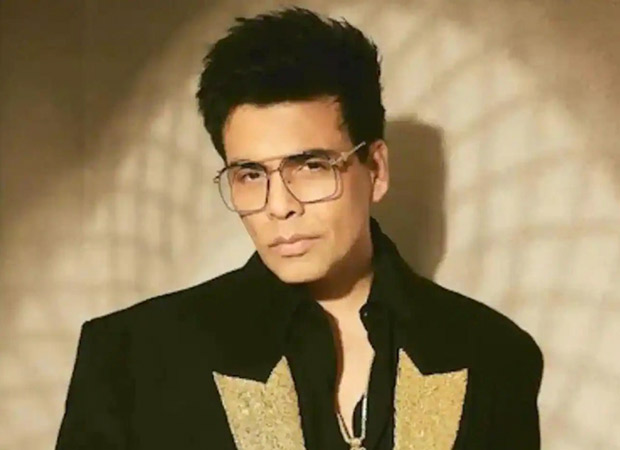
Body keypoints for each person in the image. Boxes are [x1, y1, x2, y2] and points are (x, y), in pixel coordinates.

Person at [56, 6, 543, 449]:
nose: (279, 206)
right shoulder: (132, 358)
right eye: (251, 175)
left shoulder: (494, 355)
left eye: (311, 167)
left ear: (375, 170)